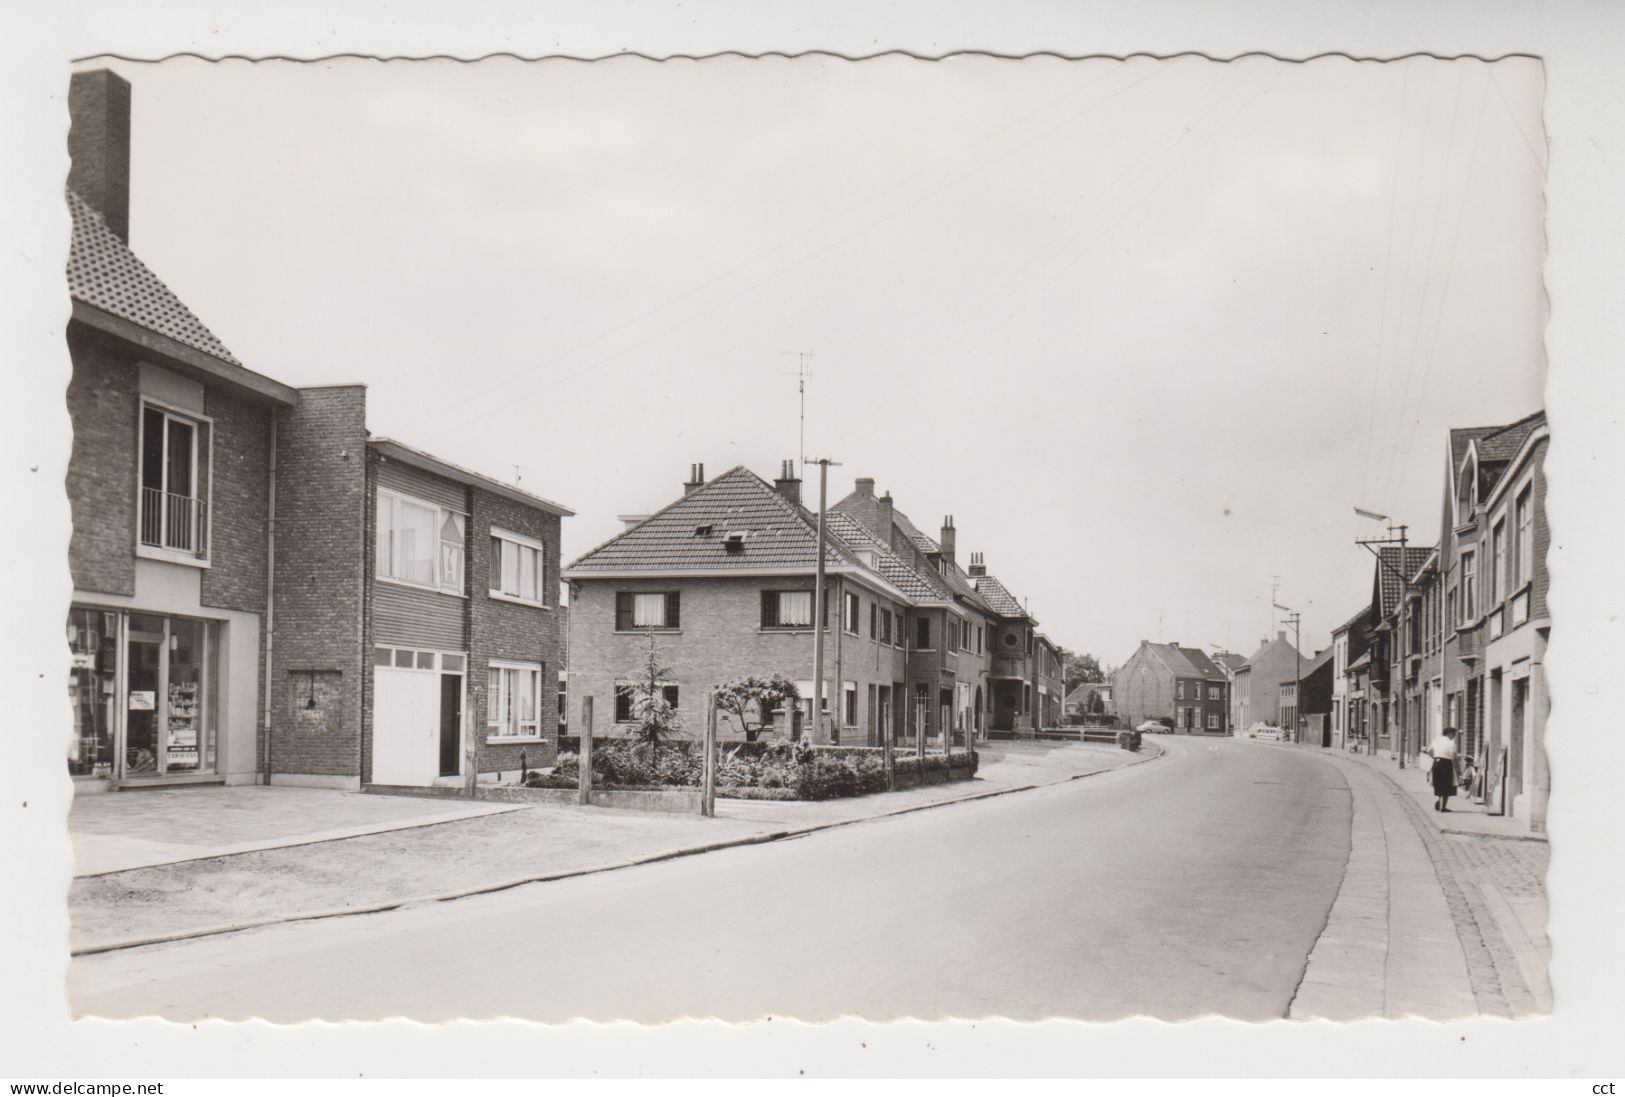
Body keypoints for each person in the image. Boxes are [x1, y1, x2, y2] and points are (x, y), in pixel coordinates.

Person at [1421, 726, 1460, 812]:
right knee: (1447, 785)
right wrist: (1457, 766)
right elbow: (1455, 756)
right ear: (1450, 734)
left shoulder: (1436, 740)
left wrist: (1435, 757)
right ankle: (1443, 807)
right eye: (1454, 734)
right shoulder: (1451, 743)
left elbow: (1428, 751)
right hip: (1447, 764)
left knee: (1438, 783)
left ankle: (1440, 800)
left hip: (1437, 763)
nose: (1454, 736)